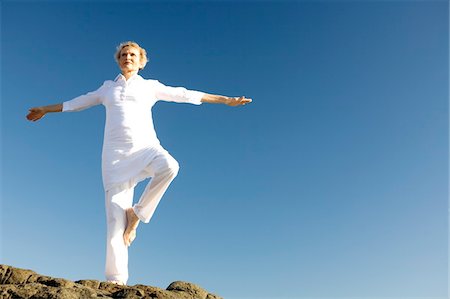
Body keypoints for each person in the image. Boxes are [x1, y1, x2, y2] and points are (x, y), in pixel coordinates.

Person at [26, 41, 252, 286]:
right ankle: (115, 282)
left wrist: (225, 100)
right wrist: (46, 109)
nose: (127, 57)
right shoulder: (107, 88)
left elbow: (185, 94)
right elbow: (78, 102)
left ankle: (138, 213)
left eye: (133, 54)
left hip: (145, 149)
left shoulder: (150, 87)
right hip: (114, 159)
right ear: (118, 60)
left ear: (142, 61)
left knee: (170, 167)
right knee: (114, 223)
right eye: (123, 54)